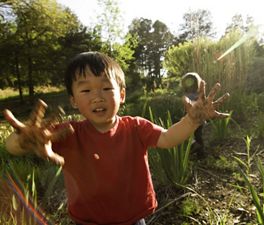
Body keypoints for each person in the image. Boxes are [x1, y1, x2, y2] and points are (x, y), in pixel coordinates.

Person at [3, 51, 230, 225]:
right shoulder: (67, 132)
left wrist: (192, 121)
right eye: (85, 91)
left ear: (121, 95)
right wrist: (25, 140)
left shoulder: (135, 127)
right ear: (73, 100)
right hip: (87, 222)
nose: (97, 97)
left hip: (133, 220)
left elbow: (168, 138)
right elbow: (12, 147)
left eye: (105, 88)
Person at [181, 72, 205, 157]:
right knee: (198, 135)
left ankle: (195, 147)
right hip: (200, 118)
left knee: (185, 135)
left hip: (191, 118)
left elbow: (187, 109)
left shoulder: (186, 95)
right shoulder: (199, 94)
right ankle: (201, 153)